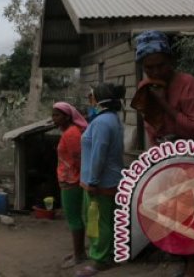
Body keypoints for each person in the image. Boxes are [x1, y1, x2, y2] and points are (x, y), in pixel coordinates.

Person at [133, 30, 194, 277]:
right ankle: (185, 261)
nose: (154, 72)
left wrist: (163, 103)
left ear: (171, 61)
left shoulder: (188, 86)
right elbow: (154, 130)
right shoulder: (147, 89)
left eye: (160, 65)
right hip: (175, 153)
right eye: (148, 67)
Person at [76, 83, 125, 277]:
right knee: (105, 220)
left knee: (99, 221)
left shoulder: (102, 122)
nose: (90, 100)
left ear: (98, 99)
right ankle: (108, 254)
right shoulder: (110, 119)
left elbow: (99, 153)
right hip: (105, 179)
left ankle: (100, 260)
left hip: (101, 181)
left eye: (91, 97)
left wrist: (93, 181)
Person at [51, 101, 88, 269]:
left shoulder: (71, 134)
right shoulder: (69, 132)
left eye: (57, 115)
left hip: (72, 181)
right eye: (53, 115)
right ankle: (78, 252)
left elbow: (79, 159)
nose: (53, 119)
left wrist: (82, 178)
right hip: (69, 180)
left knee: (74, 218)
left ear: (67, 117)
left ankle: (79, 256)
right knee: (73, 217)